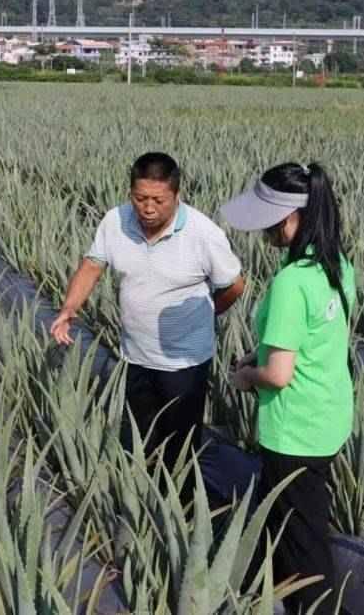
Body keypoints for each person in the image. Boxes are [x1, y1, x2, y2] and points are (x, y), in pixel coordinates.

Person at [50, 152, 245, 495]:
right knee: (139, 438)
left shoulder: (202, 233)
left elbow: (235, 285)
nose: (148, 207)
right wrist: (69, 308)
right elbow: (93, 265)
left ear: (177, 195)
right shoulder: (115, 221)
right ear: (130, 194)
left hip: (184, 361)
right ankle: (141, 497)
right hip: (135, 354)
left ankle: (180, 508)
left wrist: (205, 313)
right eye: (140, 198)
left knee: (180, 448)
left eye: (159, 200)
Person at [221, 162, 355, 615]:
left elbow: (279, 374)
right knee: (295, 519)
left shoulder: (290, 281)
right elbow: (314, 341)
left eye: (267, 223)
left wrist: (245, 377)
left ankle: (313, 607)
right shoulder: (335, 266)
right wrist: (258, 355)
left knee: (304, 541)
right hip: (328, 415)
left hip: (294, 427)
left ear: (291, 219)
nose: (262, 233)